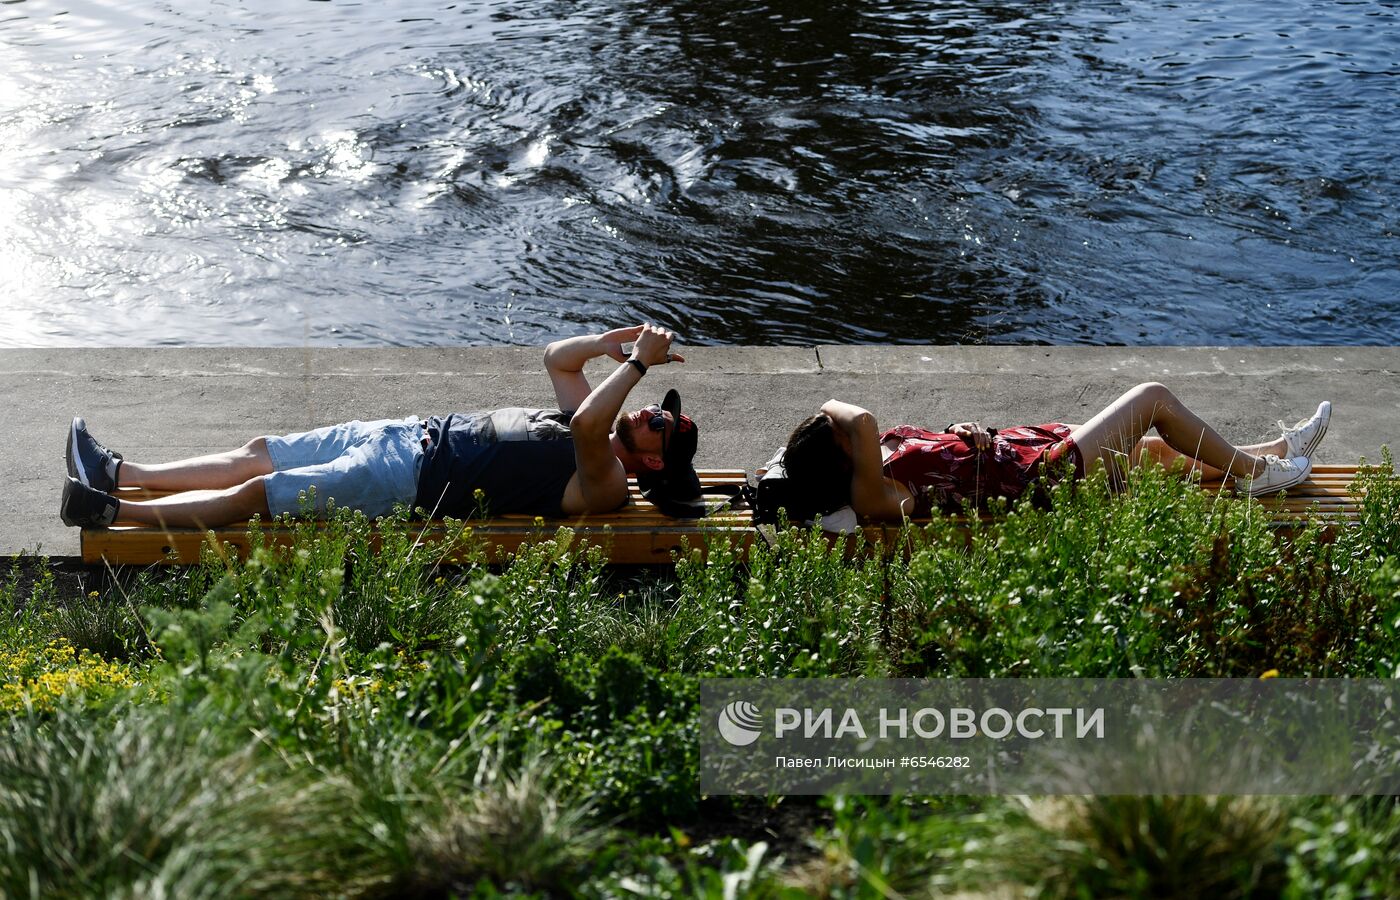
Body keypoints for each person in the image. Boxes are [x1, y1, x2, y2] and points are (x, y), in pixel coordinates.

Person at [60, 324, 703, 530]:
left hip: (404, 479)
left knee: (258, 496)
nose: (654, 415)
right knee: (260, 454)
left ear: (653, 462)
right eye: (661, 409)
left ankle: (110, 510)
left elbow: (593, 424)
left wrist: (640, 369)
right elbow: (558, 359)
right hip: (404, 433)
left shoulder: (609, 481)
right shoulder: (591, 419)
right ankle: (121, 471)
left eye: (663, 428)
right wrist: (617, 342)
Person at [781, 382, 1331, 522]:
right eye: (842, 433)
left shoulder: (878, 455)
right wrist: (834, 411)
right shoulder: (874, 494)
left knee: (1156, 455)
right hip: (1041, 484)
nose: (851, 427)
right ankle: (1258, 472)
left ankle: (1277, 451)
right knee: (1153, 400)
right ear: (843, 456)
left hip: (1023, 451)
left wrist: (959, 429)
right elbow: (861, 415)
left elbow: (933, 452)